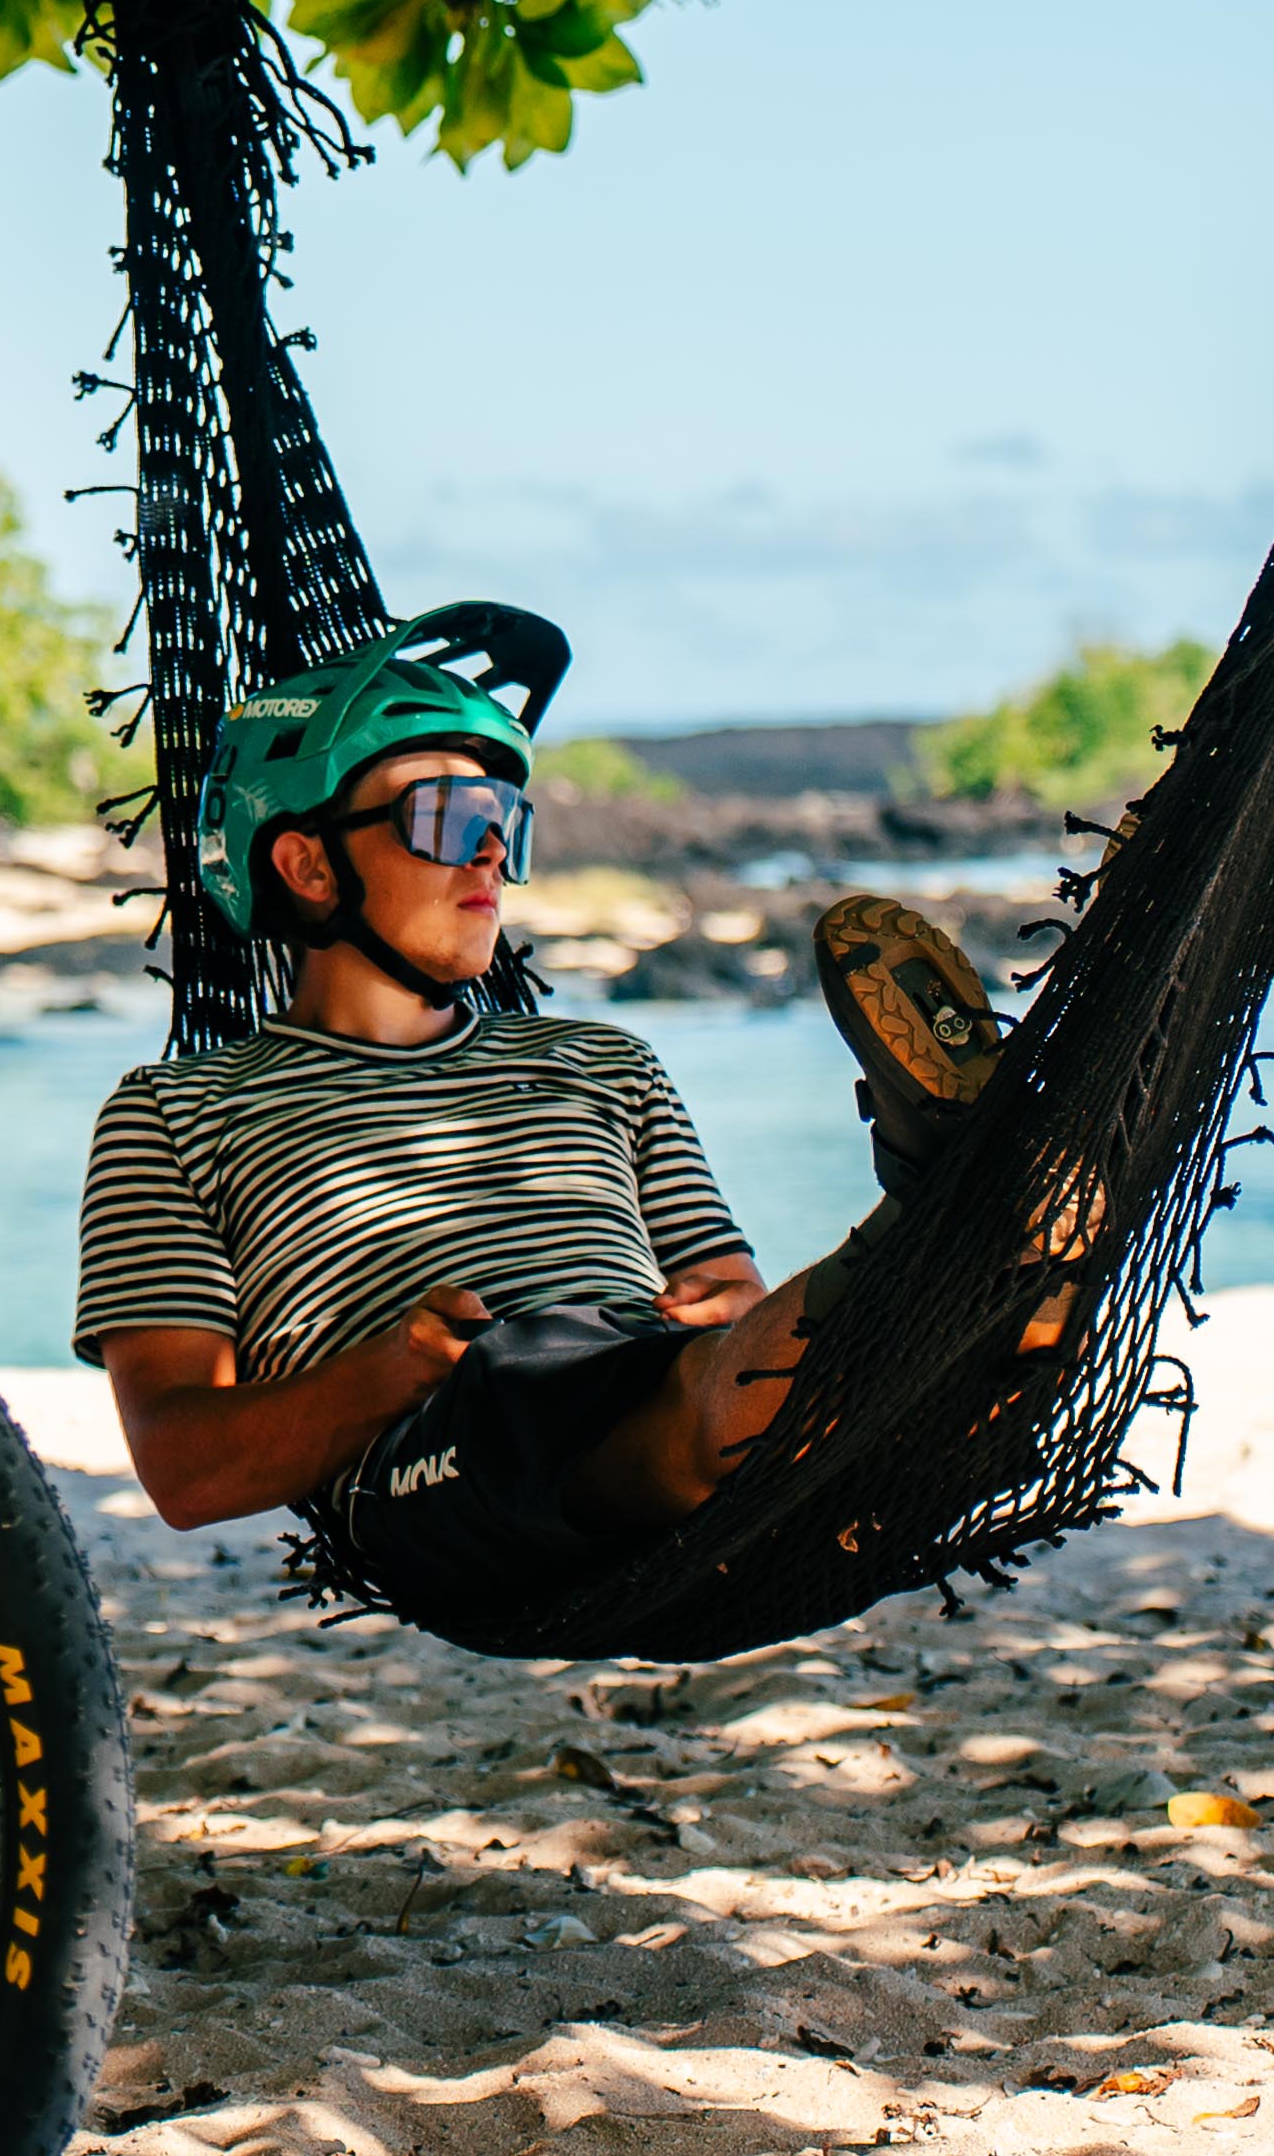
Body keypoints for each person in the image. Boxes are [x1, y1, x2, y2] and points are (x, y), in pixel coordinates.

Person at [71, 613, 1011, 1638]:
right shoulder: (177, 1112)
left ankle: (977, 1228)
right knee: (573, 1388)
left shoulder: (602, 1062)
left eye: (504, 819)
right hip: (445, 1456)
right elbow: (183, 1467)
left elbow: (730, 1296)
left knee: (981, 1352)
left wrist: (720, 1303)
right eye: (445, 816)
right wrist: (393, 1369)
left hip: (659, 1387)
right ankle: (938, 1196)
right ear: (305, 864)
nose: (490, 851)